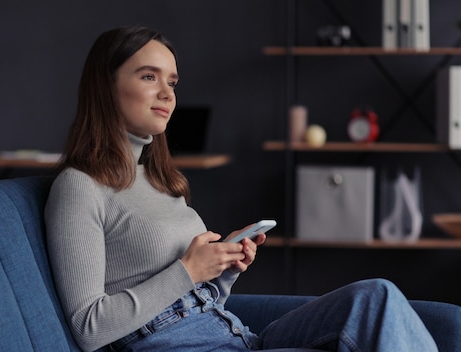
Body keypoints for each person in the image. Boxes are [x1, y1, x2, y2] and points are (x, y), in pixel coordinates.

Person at [44, 26, 437, 352]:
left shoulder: (161, 180)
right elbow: (87, 326)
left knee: (376, 297)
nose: (168, 93)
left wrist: (220, 274)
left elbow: (196, 302)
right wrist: (189, 270)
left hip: (235, 337)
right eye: (149, 76)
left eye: (172, 81)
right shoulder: (80, 186)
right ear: (105, 85)